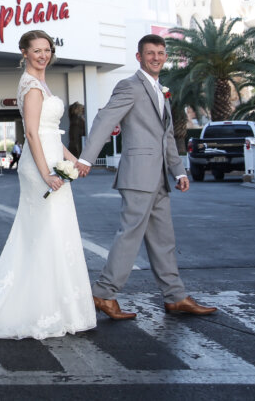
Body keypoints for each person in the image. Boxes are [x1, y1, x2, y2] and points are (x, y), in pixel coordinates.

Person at [0, 30, 96, 341]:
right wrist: (47, 172)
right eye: (36, 50)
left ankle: (57, 304)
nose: (43, 55)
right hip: (40, 168)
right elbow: (33, 135)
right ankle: (37, 307)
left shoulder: (43, 84)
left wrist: (72, 159)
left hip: (52, 160)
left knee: (54, 231)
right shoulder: (32, 86)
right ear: (23, 52)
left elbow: (51, 133)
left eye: (47, 49)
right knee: (43, 231)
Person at [77, 34, 218, 320]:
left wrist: (178, 171)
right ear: (139, 57)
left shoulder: (160, 91)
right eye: (150, 53)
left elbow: (166, 137)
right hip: (137, 176)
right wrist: (85, 159)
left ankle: (175, 297)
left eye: (161, 53)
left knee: (164, 240)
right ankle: (104, 294)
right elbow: (105, 119)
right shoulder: (129, 86)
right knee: (129, 236)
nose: (156, 57)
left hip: (160, 179)